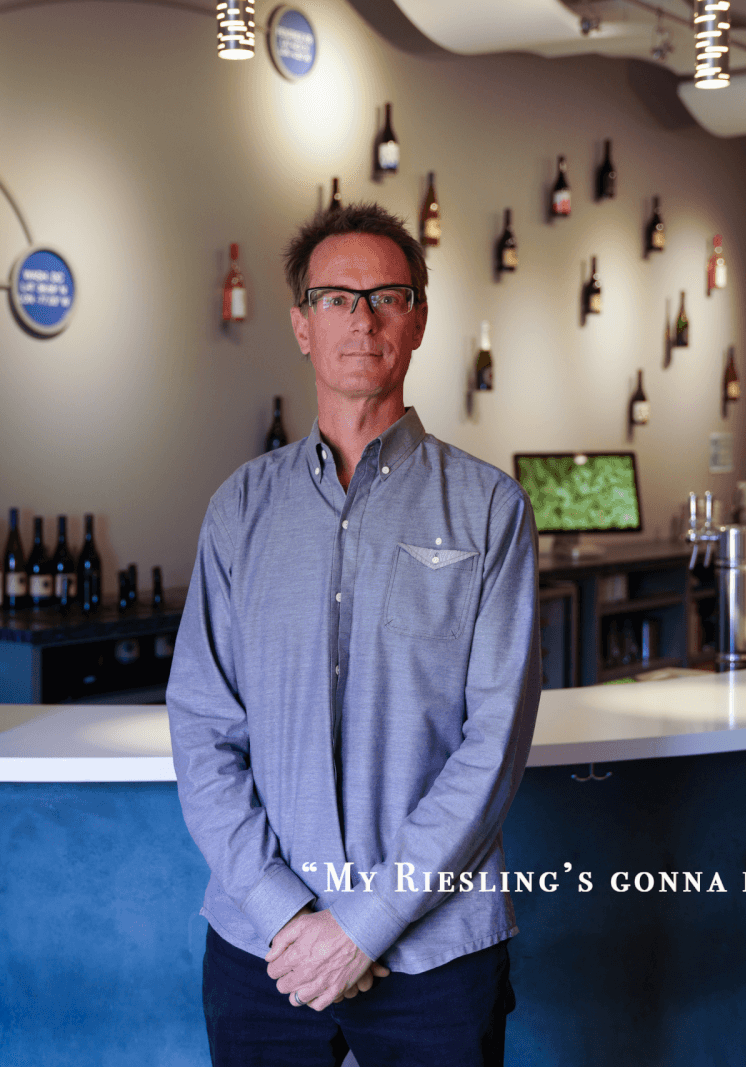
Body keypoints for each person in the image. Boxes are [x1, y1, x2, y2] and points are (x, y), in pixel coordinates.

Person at [166, 201, 542, 1066]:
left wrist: (363, 926)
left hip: (436, 952)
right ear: (301, 325)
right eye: (336, 297)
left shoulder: (490, 510)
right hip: (268, 953)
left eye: (386, 295)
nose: (361, 317)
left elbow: (492, 746)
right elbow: (202, 731)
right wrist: (291, 918)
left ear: (417, 321)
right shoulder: (239, 511)